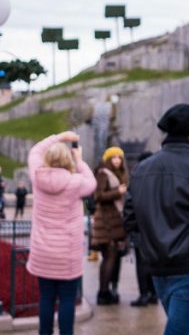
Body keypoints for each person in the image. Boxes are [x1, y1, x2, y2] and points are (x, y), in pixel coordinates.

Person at [123, 104, 189, 335]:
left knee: (184, 327)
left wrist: (149, 242)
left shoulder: (142, 168)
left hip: (158, 264)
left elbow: (129, 218)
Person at [27, 131, 97, 335]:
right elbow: (91, 182)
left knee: (46, 299)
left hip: (42, 252)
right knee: (67, 300)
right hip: (67, 254)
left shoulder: (37, 176)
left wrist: (58, 137)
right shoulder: (76, 183)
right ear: (68, 160)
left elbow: (35, 150)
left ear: (47, 159)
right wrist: (80, 161)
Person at [92, 146, 129, 305]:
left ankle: (107, 290)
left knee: (112, 257)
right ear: (108, 159)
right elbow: (98, 196)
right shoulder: (102, 173)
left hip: (114, 221)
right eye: (113, 157)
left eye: (119, 157)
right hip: (106, 222)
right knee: (109, 257)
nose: (117, 160)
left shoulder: (118, 174)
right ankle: (103, 292)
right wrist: (117, 192)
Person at [129, 151, 159, 308]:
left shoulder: (136, 177)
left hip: (140, 228)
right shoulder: (161, 178)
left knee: (141, 264)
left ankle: (144, 294)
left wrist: (130, 227)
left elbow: (130, 205)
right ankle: (154, 293)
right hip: (157, 229)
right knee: (154, 261)